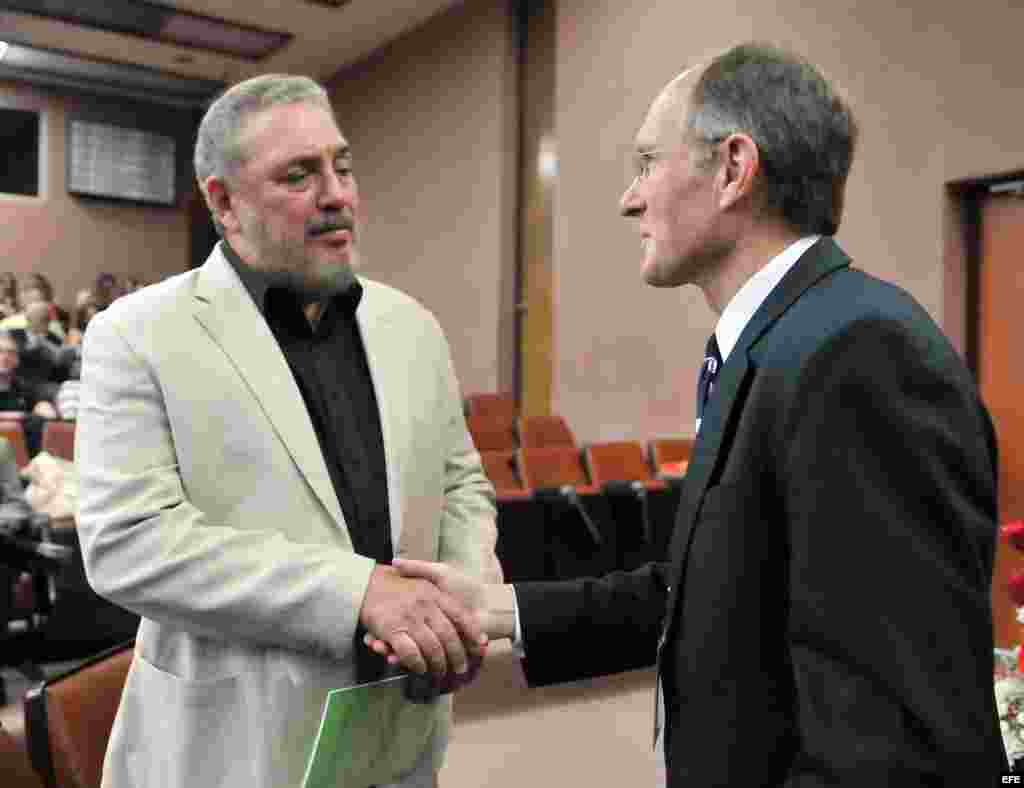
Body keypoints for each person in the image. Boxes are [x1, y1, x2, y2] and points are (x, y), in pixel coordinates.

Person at [373, 43, 1007, 785]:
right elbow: (710, 591)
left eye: (647, 161)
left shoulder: (857, 355)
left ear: (735, 169)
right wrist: (498, 607)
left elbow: (890, 742)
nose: (629, 198)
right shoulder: (785, 342)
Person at [75, 73, 498, 788]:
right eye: (299, 175)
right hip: (230, 749)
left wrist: (460, 598)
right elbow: (127, 541)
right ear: (224, 203)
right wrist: (357, 592)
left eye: (343, 165)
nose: (337, 194)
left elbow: (460, 483)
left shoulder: (412, 328)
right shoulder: (137, 334)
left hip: (396, 734)